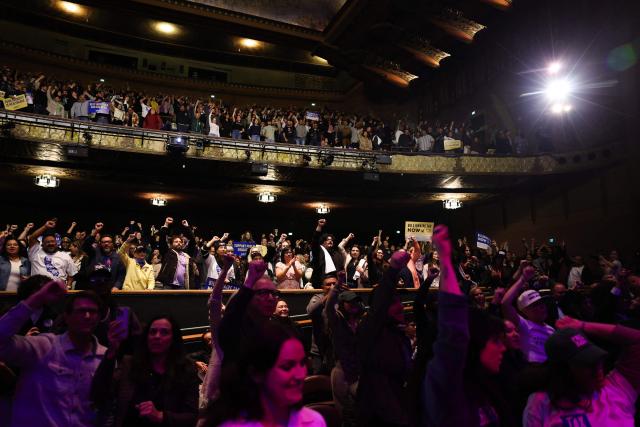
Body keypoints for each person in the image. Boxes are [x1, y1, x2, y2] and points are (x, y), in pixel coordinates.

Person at [423, 225, 513, 426]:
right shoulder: (449, 386)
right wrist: (445, 260)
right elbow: (453, 329)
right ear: (476, 343)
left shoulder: (487, 383)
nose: (502, 347)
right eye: (495, 341)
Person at [0, 280, 106, 427]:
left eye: (93, 311)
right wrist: (36, 299)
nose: (87, 316)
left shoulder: (103, 356)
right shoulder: (44, 347)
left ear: (99, 318)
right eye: (81, 311)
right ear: (66, 317)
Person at [524, 316, 640, 426]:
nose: (598, 370)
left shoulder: (616, 388)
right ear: (564, 371)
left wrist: (582, 325)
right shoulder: (542, 403)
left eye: (597, 360)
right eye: (587, 364)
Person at [210, 322, 326, 427]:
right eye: (287, 367)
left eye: (302, 363)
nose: (301, 375)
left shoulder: (314, 421)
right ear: (257, 373)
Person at [91, 315, 199, 427]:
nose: (157, 336)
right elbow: (99, 393)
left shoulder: (186, 369)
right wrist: (111, 352)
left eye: (164, 332)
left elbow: (192, 417)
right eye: (152, 332)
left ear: (173, 339)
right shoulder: (129, 365)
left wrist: (161, 416)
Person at [357, 250, 413, 426]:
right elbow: (379, 303)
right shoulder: (371, 328)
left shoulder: (398, 333)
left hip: (397, 405)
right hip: (379, 414)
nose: (400, 307)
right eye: (394, 302)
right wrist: (393, 268)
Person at [325, 286, 365, 426]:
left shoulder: (359, 321)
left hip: (357, 369)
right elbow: (328, 308)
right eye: (350, 302)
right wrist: (335, 288)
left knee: (360, 409)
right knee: (346, 412)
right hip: (342, 370)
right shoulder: (337, 321)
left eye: (356, 301)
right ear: (342, 304)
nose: (354, 304)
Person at [502, 263, 555, 363]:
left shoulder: (551, 330)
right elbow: (505, 304)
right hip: (531, 372)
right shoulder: (524, 325)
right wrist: (523, 279)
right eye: (535, 305)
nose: (542, 307)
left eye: (541, 303)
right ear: (524, 311)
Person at [28, 219, 77, 289]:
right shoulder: (35, 252)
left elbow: (71, 275)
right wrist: (45, 226)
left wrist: (68, 286)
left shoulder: (65, 256)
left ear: (57, 243)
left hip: (58, 293)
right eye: (47, 242)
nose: (50, 243)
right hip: (38, 291)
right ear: (42, 244)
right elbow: (32, 237)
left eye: (52, 241)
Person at [83, 222, 126, 290]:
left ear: (112, 244)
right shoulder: (94, 252)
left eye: (109, 242)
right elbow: (85, 246)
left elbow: (121, 275)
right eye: (103, 242)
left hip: (110, 292)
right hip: (94, 290)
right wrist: (96, 231)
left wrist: (117, 286)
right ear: (100, 244)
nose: (106, 244)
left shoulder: (117, 257)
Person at [157, 218, 198, 289]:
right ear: (171, 244)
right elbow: (162, 239)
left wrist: (187, 227)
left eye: (180, 242)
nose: (179, 243)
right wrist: (166, 224)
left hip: (183, 287)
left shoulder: (186, 255)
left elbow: (193, 241)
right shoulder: (167, 253)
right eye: (176, 242)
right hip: (169, 286)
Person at [311, 219, 345, 289]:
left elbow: (341, 269)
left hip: (335, 282)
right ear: (322, 242)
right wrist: (319, 226)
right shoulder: (319, 251)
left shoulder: (336, 254)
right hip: (320, 282)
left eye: (332, 240)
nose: (330, 241)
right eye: (327, 240)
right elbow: (315, 241)